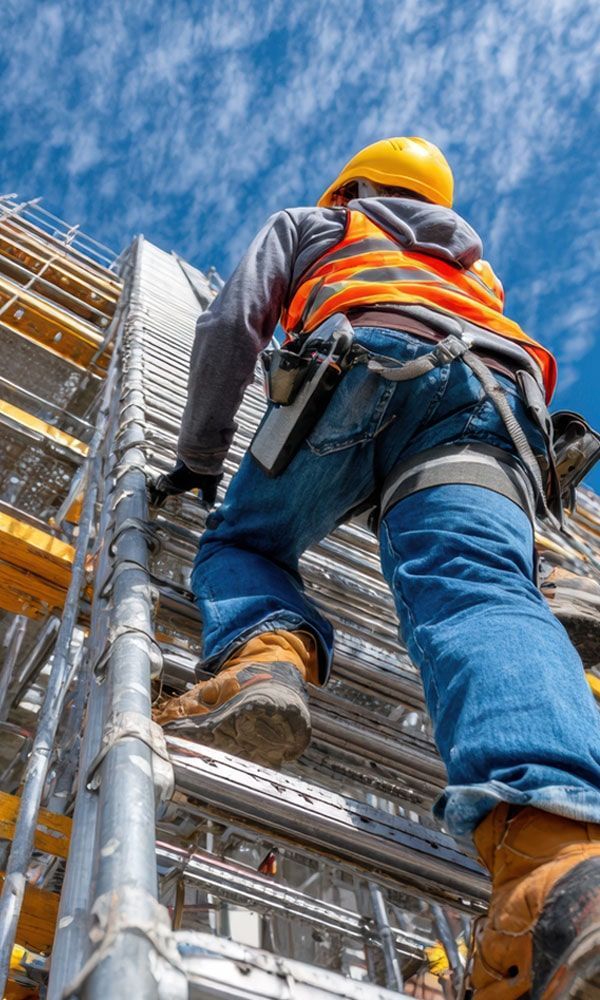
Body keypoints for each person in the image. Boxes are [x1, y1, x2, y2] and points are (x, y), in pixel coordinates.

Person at [151, 138, 600, 997]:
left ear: (357, 183)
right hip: (495, 411)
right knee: (482, 592)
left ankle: (263, 661)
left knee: (242, 543)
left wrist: (201, 458)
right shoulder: (477, 271)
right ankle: (560, 876)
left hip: (359, 371)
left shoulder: (322, 221)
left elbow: (230, 318)